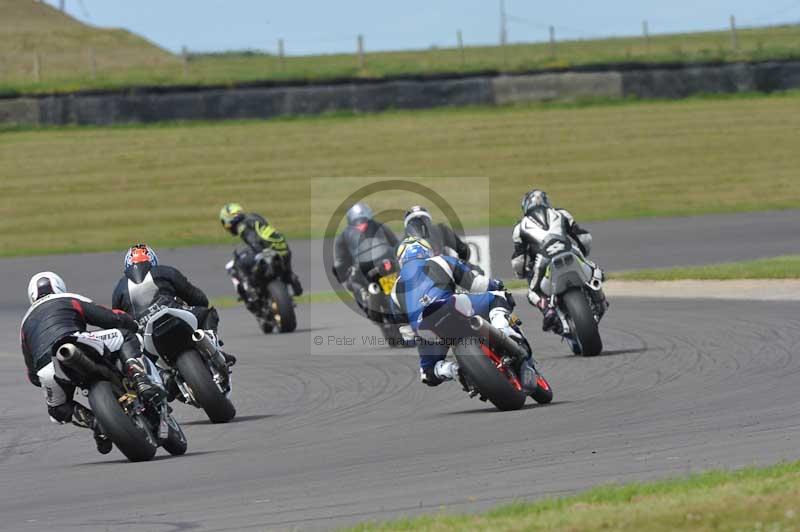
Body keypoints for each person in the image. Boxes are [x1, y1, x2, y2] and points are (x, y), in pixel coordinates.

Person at [21, 272, 162, 455]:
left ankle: (95, 423)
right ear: (59, 286)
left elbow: (32, 374)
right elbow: (110, 318)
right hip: (75, 339)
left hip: (47, 368)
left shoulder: (24, 323)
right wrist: (131, 323)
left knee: (57, 409)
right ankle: (140, 378)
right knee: (126, 337)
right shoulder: (69, 298)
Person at [391, 237, 544, 393]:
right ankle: (504, 331)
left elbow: (407, 334)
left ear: (401, 260)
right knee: (498, 297)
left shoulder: (394, 290)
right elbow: (476, 284)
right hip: (449, 304)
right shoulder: (440, 261)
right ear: (426, 251)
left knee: (428, 373)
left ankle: (453, 370)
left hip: (424, 326)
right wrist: (496, 284)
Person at [111, 244, 236, 386]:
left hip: (146, 332)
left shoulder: (119, 288)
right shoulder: (164, 271)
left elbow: (118, 321)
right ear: (152, 260)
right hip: (174, 315)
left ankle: (161, 376)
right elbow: (199, 298)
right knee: (208, 313)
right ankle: (212, 345)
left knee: (136, 351)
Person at [511, 189, 605, 331]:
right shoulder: (561, 213)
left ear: (525, 206)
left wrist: (522, 274)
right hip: (569, 250)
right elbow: (583, 237)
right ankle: (598, 293)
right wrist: (584, 253)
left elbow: (519, 260)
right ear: (546, 201)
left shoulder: (520, 227)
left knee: (532, 293)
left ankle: (548, 310)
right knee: (595, 270)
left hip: (543, 260)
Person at [219, 203, 303, 296]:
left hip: (267, 250)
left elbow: (254, 242)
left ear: (228, 219)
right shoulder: (254, 216)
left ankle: (250, 290)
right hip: (283, 248)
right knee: (286, 272)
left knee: (238, 264)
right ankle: (291, 277)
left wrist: (259, 252)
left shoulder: (241, 227)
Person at [332, 202, 399, 313]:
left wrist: (340, 274)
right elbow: (395, 243)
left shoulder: (344, 235)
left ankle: (365, 296)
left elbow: (341, 261)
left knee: (351, 282)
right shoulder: (379, 225)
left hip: (365, 266)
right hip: (386, 260)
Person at [403, 205, 471, 262]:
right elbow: (463, 250)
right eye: (415, 223)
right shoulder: (442, 230)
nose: (420, 225)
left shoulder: (402, 243)